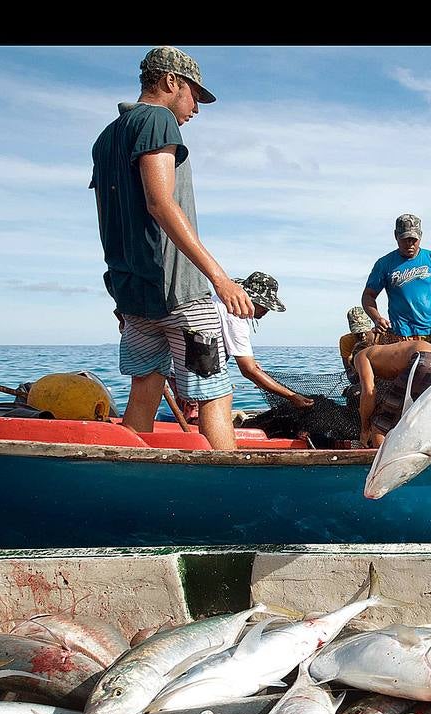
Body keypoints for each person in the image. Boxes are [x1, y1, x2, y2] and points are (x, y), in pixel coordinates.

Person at [90, 46, 253, 451]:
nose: (196, 108)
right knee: (215, 390)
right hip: (180, 291)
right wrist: (219, 278)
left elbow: (110, 218)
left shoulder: (106, 138)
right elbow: (159, 202)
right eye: (194, 94)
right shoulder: (158, 120)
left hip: (134, 293)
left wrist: (118, 292)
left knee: (146, 383)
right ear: (170, 82)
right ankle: (227, 486)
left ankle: (131, 475)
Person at [361, 214, 431, 361]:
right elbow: (368, 296)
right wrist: (377, 318)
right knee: (403, 380)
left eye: (414, 239)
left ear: (421, 236)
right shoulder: (384, 264)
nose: (410, 244)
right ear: (395, 236)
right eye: (405, 239)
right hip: (400, 336)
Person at [215, 271, 314, 410]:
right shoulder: (235, 314)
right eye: (264, 305)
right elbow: (248, 370)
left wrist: (251, 363)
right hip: (194, 366)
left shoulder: (223, 302)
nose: (267, 310)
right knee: (220, 399)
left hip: (185, 363)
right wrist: (291, 396)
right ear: (250, 298)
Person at [352, 340, 431, 448]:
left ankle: (385, 463)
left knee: (380, 424)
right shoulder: (387, 351)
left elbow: (368, 393)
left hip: (423, 360)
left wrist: (365, 429)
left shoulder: (360, 356)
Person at [341, 306, 377, 384]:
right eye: (358, 333)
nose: (363, 335)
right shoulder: (346, 341)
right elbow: (349, 370)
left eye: (365, 331)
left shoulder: (381, 336)